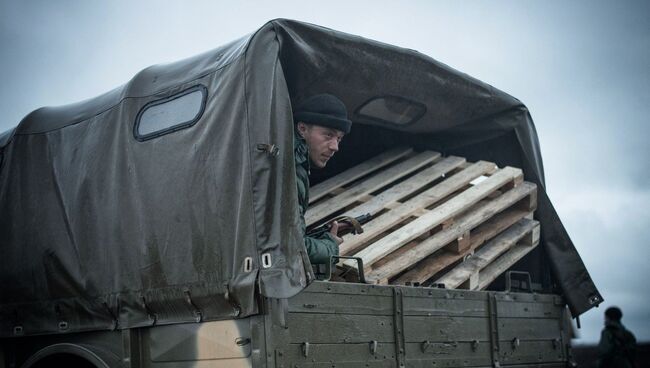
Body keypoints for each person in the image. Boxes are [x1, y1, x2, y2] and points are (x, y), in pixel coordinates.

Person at [293, 94, 351, 264]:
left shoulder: (291, 162)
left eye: (339, 138)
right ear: (302, 129)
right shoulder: (287, 169)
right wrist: (330, 246)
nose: (335, 147)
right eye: (328, 135)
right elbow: (289, 247)